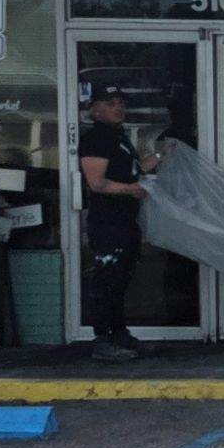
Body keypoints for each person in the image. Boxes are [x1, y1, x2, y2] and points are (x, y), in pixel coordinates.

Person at [78, 79, 149, 357]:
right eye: (110, 104)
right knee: (107, 278)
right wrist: (130, 189)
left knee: (121, 278)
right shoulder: (96, 138)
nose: (118, 108)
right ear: (95, 109)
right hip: (107, 222)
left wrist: (156, 157)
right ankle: (102, 339)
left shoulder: (119, 138)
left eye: (121, 103)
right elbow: (96, 182)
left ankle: (119, 333)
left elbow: (132, 170)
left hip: (126, 220)